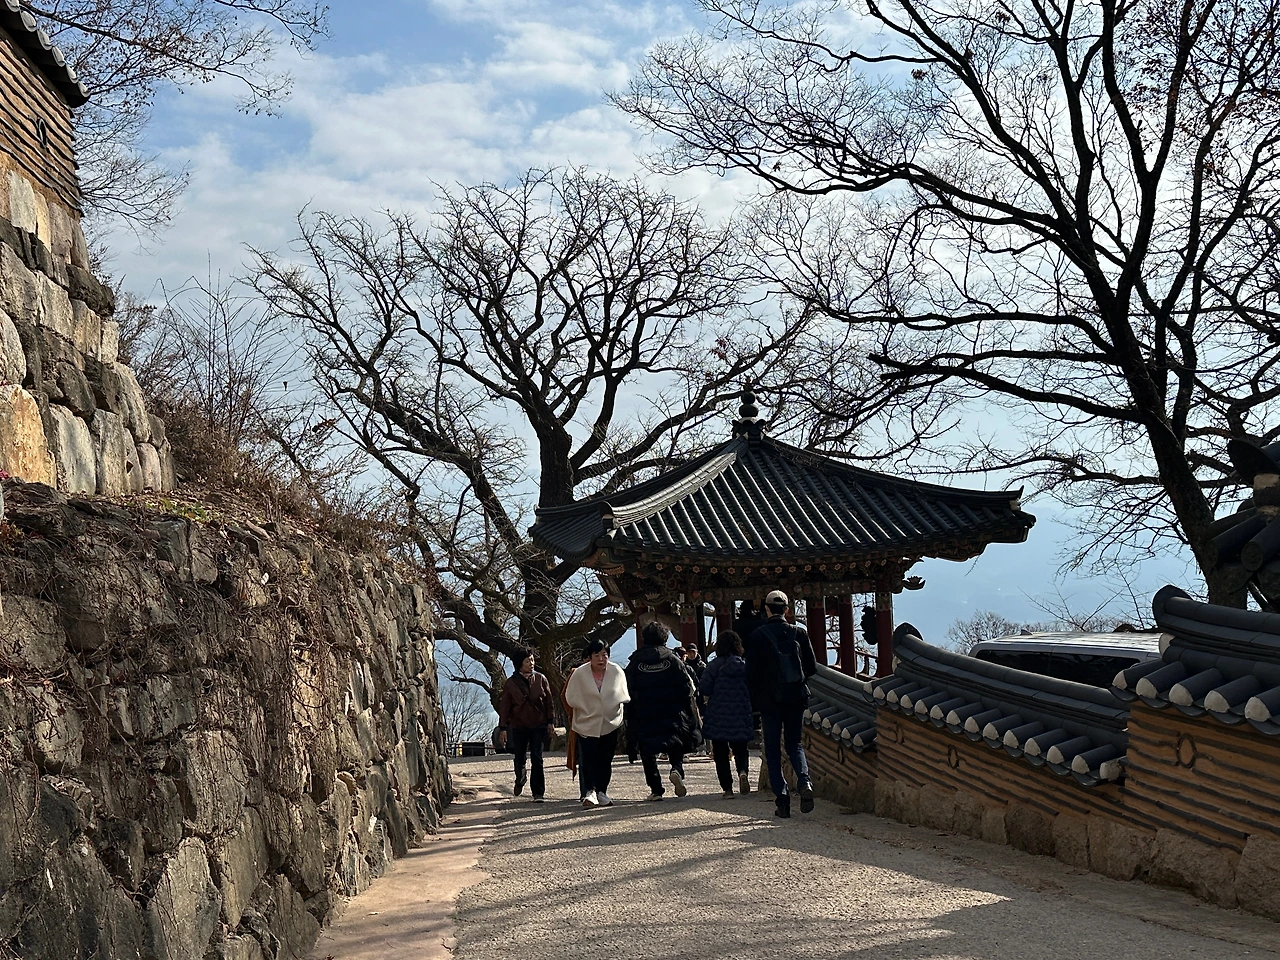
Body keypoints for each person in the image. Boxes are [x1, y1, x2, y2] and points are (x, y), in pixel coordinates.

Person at [746, 590, 818, 818]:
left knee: (773, 749)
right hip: (796, 697)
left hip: (769, 701)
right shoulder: (799, 633)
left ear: (766, 609)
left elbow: (751, 674)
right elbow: (812, 667)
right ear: (787, 610)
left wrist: (754, 701)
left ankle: (783, 801)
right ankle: (804, 781)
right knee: (795, 744)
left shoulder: (757, 636)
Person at [625, 621, 702, 800]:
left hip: (644, 713)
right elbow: (687, 687)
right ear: (664, 638)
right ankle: (676, 769)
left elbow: (627, 687)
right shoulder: (673, 659)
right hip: (672, 711)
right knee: (675, 744)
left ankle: (656, 789)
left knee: (648, 751)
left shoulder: (635, 662)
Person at [563, 639, 629, 808]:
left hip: (610, 722)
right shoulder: (579, 673)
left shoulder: (616, 671)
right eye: (597, 655)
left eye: (604, 655)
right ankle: (589, 791)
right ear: (590, 656)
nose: (601, 659)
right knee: (588, 758)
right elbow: (571, 697)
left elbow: (621, 695)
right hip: (586, 722)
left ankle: (602, 791)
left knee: (605, 759)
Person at [698, 630, 755, 799]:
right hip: (741, 711)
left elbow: (705, 688)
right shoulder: (744, 665)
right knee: (741, 747)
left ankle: (727, 789)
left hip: (718, 713)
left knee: (720, 752)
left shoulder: (713, 666)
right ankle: (742, 772)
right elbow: (753, 687)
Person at [496, 647, 555, 802]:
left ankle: (538, 792)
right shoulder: (511, 683)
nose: (531, 663)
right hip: (519, 725)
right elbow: (505, 707)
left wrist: (550, 721)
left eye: (532, 660)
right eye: (528, 661)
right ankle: (520, 778)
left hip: (538, 724)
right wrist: (503, 728)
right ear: (519, 663)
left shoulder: (541, 679)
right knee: (519, 757)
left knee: (537, 757)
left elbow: (549, 701)